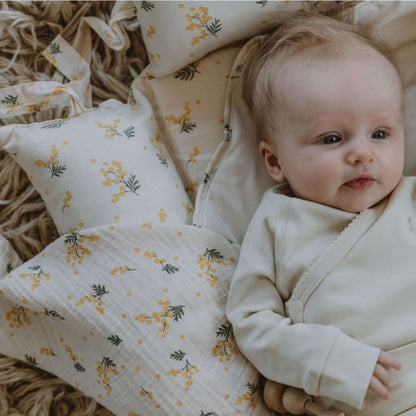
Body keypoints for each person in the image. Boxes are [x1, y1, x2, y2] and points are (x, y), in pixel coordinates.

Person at [225, 10, 415, 416]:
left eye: (380, 134)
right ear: (274, 161)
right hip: (361, 396)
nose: (362, 152)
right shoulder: (277, 225)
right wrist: (326, 359)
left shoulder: (408, 199)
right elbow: (252, 324)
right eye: (331, 138)